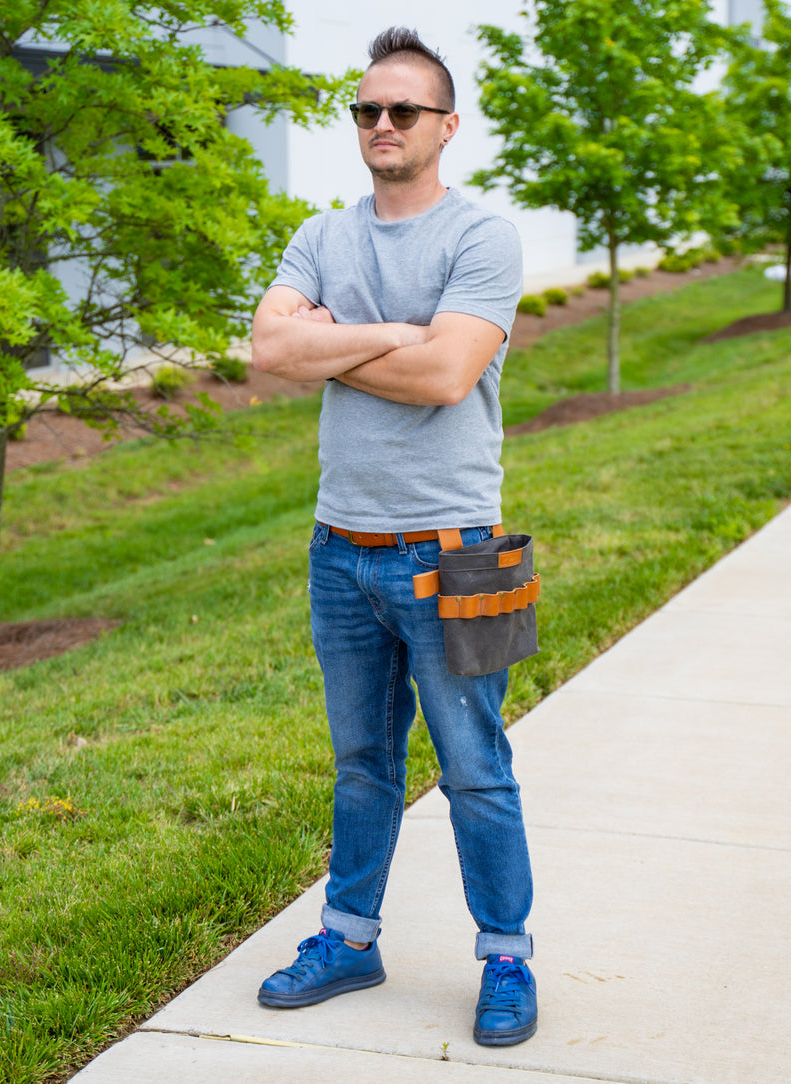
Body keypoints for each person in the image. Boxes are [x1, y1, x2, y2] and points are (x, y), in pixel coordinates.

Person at [248, 26, 537, 1048]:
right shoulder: (322, 234)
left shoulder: (481, 238)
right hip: (340, 548)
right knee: (362, 762)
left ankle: (505, 955)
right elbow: (265, 346)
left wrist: (327, 344)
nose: (379, 124)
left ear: (444, 126)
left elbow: (445, 377)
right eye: (365, 109)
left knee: (474, 765)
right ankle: (348, 938)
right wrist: (390, 334)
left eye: (401, 111)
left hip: (456, 550)